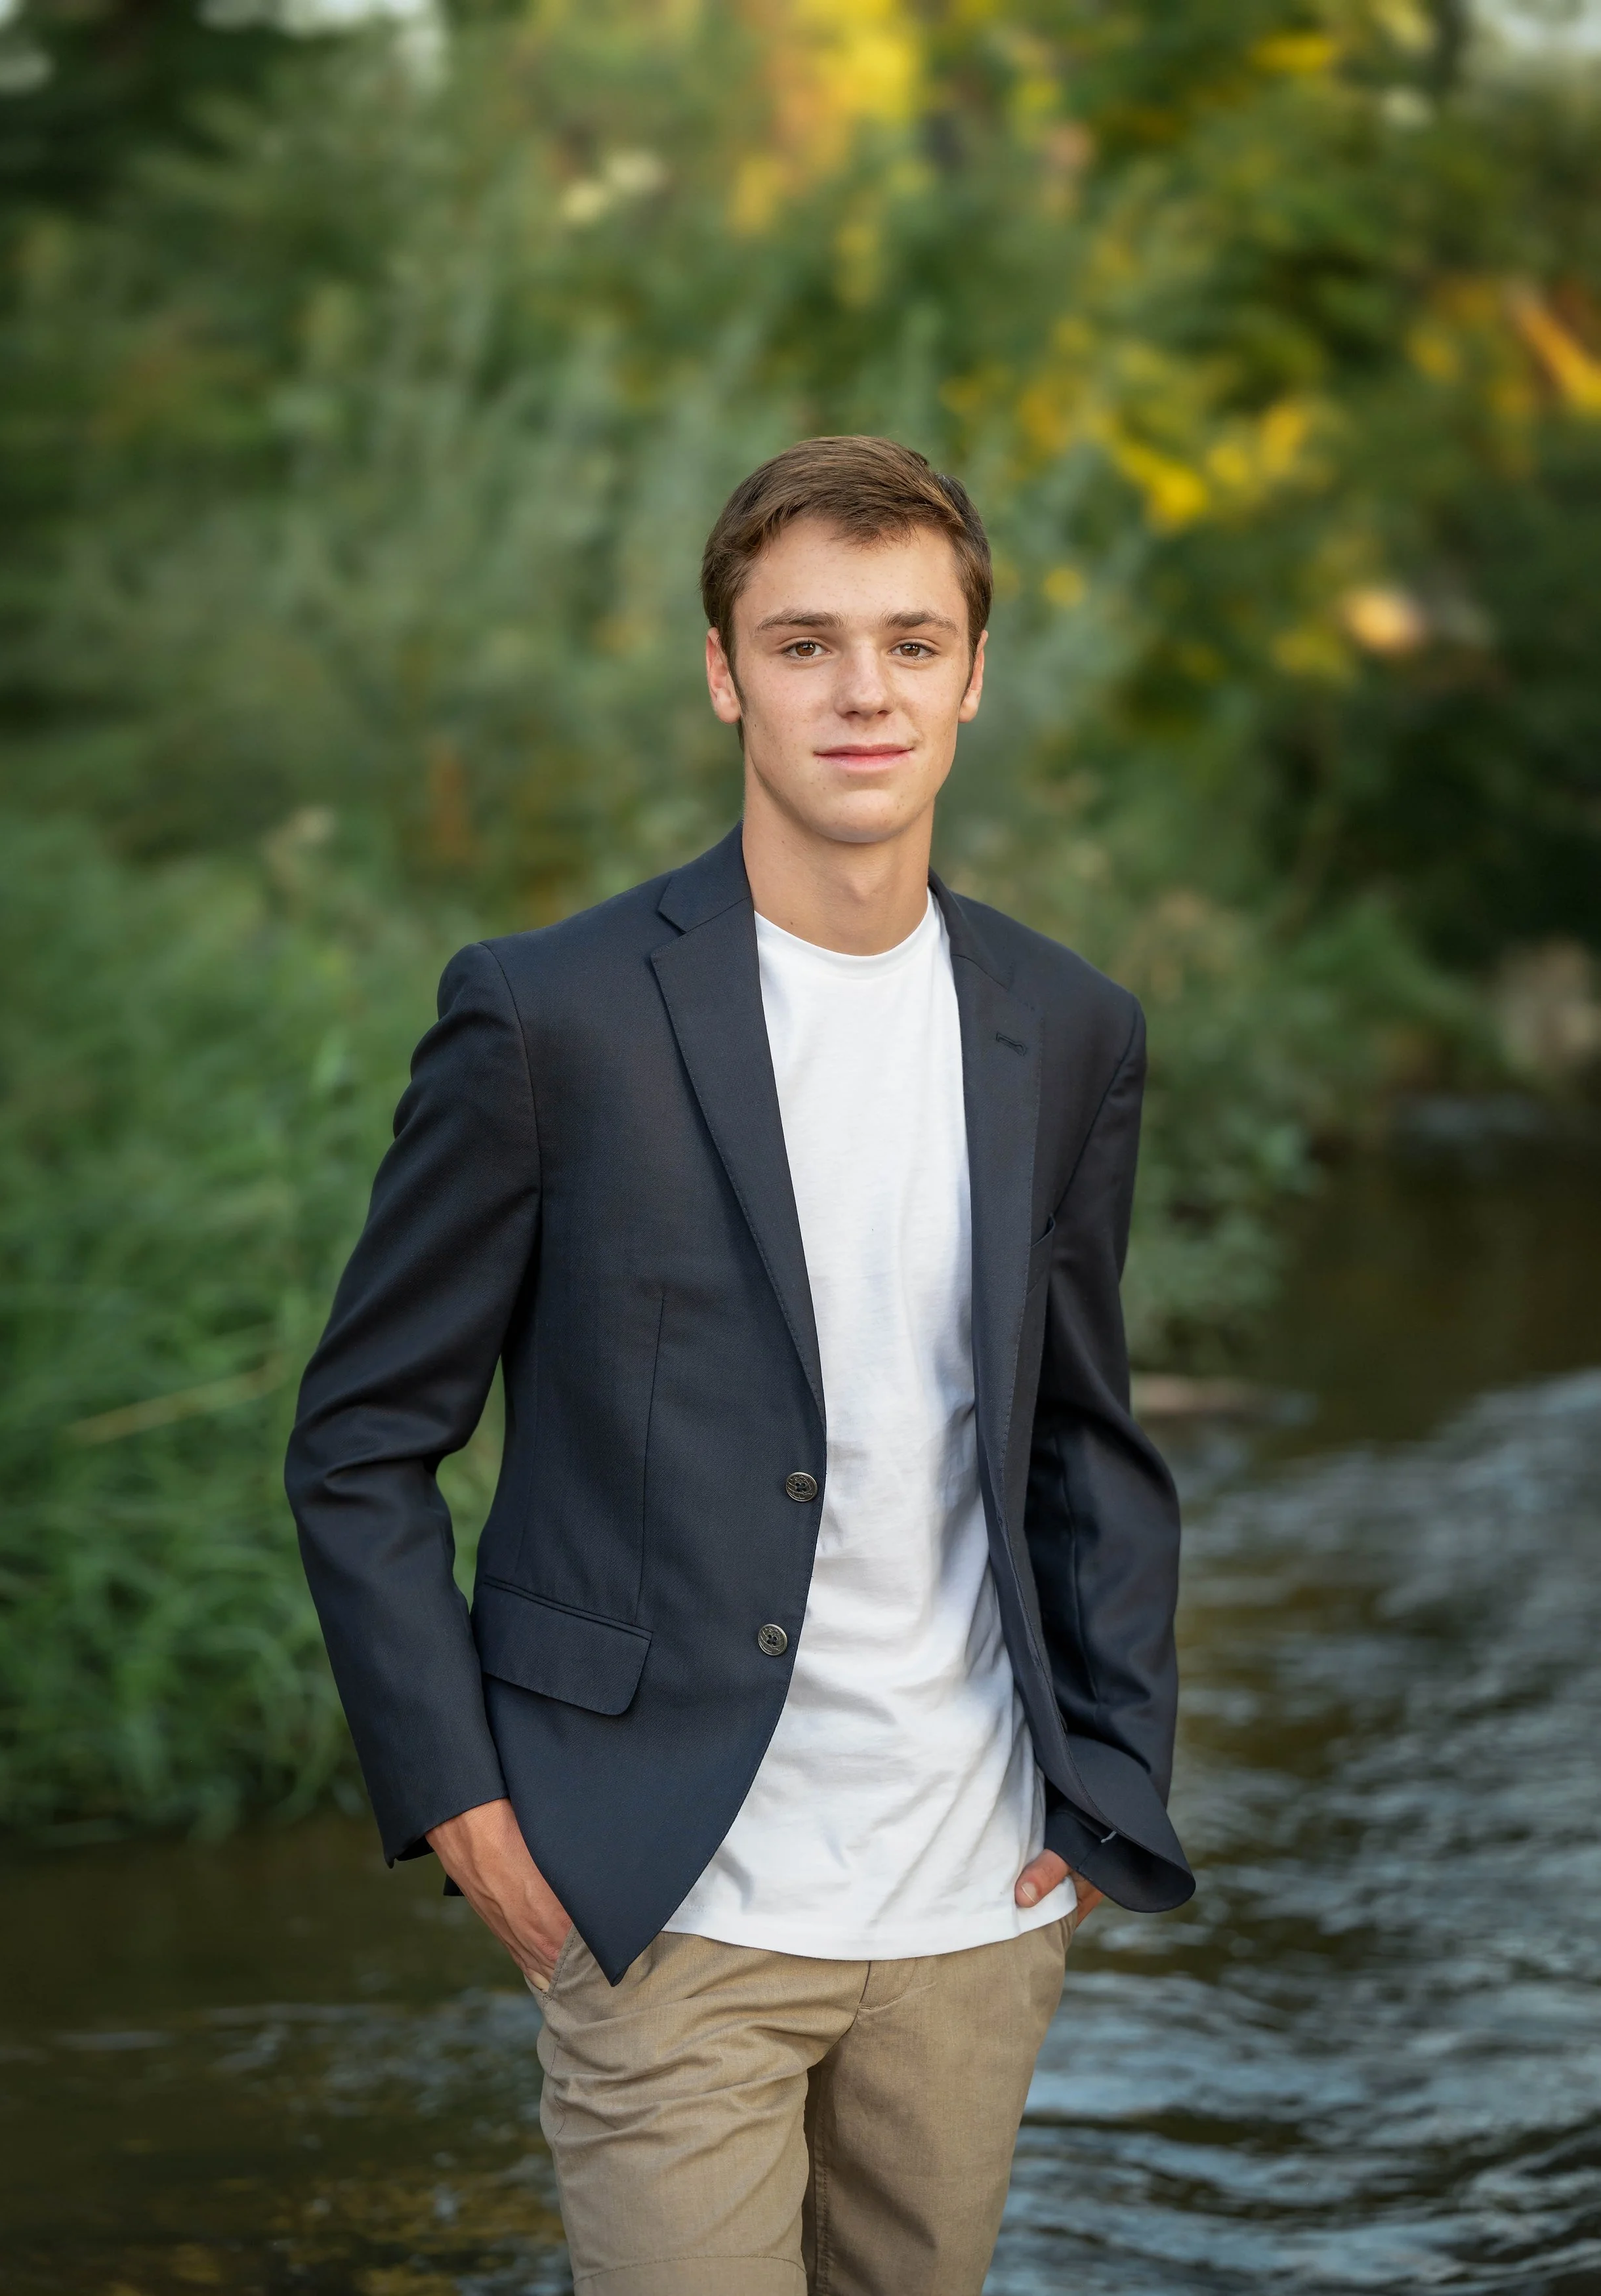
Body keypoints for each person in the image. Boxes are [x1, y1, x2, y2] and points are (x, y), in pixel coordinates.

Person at [286, 434, 1192, 2296]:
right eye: (802, 643)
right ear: (722, 673)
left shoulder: (1071, 1025)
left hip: (972, 1894)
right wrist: (459, 1801)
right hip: (661, 1887)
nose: (862, 690)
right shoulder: (550, 1016)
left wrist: (1108, 1765)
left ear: (970, 675)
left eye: (910, 642)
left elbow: (1083, 1434)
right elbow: (363, 1437)